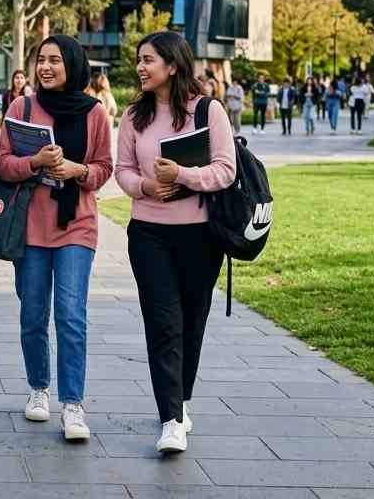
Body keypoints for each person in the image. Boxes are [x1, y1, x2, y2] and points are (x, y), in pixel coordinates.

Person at [114, 31, 236, 454]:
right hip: (149, 233)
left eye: (148, 60)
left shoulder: (208, 110)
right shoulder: (133, 115)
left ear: (173, 65)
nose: (141, 67)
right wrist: (147, 186)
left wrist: (181, 176)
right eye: (139, 60)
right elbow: (122, 170)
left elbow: (225, 170)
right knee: (163, 323)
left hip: (201, 236)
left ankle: (181, 401)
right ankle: (170, 419)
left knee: (191, 323)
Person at [0, 35, 114, 442]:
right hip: (29, 228)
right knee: (32, 315)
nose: (46, 67)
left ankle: (73, 404)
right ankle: (38, 389)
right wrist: (35, 163)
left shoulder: (95, 113)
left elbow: (104, 167)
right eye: (41, 60)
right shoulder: (21, 107)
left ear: (73, 65)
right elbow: (2, 164)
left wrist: (77, 172)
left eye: (55, 60)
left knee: (70, 314)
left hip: (76, 225)